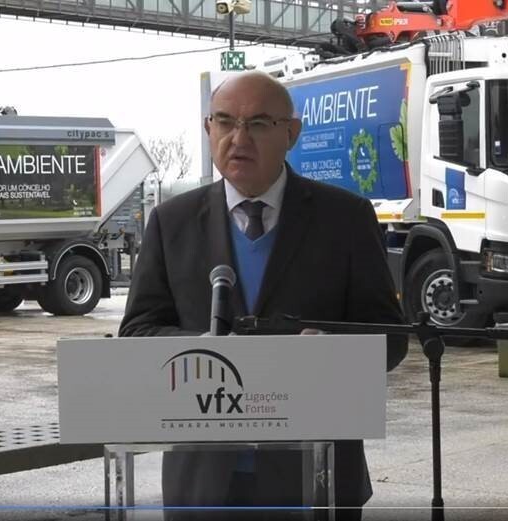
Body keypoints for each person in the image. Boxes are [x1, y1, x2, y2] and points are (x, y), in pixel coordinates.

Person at [119, 70, 408, 520]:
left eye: (257, 123)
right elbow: (137, 333)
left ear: (291, 133)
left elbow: (390, 337)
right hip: (204, 483)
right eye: (224, 121)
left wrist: (333, 351)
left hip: (316, 475)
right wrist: (204, 352)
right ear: (208, 128)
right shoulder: (171, 222)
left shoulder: (345, 219)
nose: (238, 138)